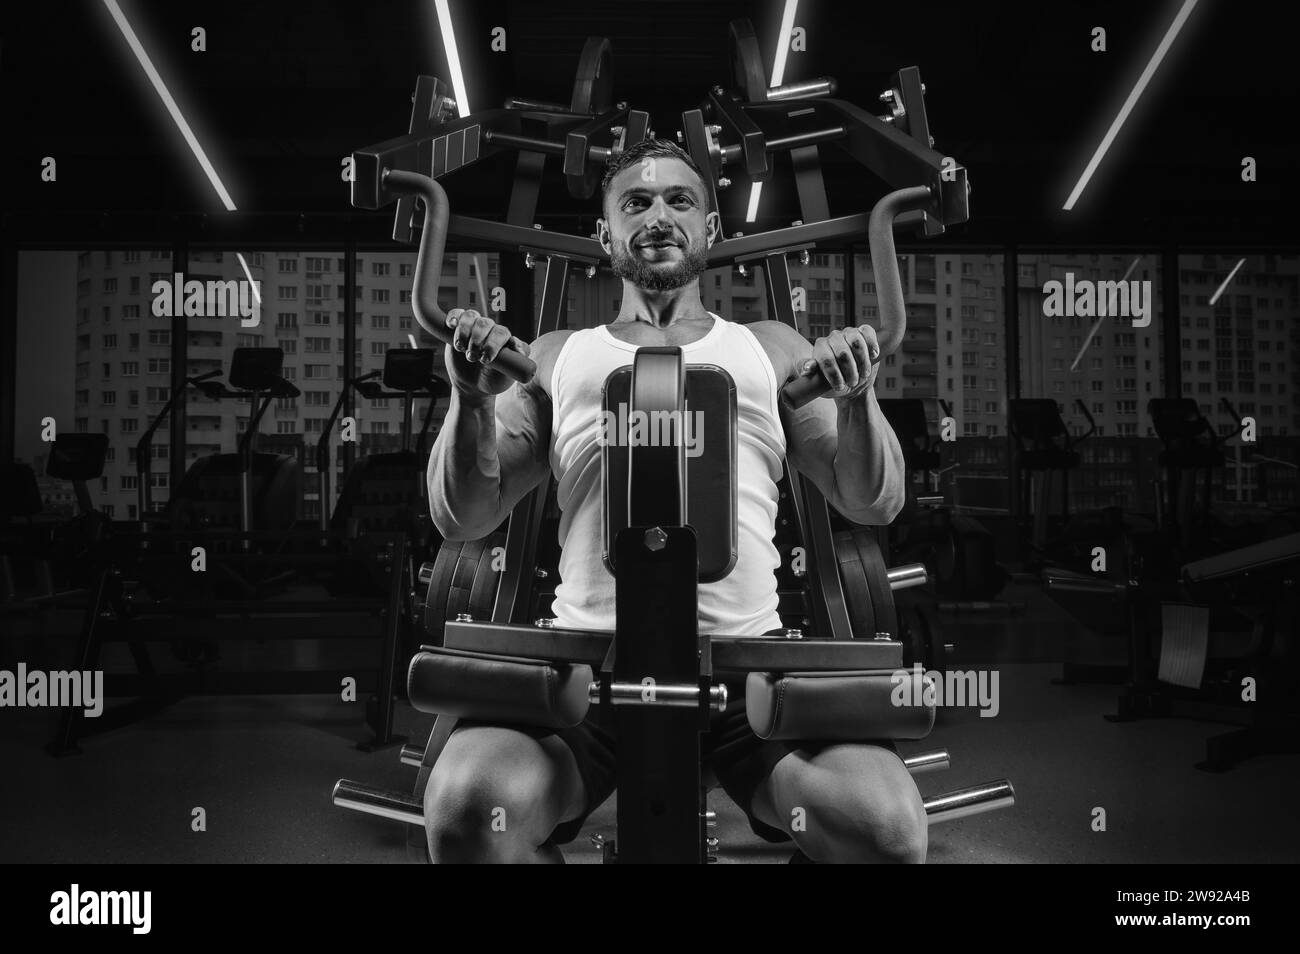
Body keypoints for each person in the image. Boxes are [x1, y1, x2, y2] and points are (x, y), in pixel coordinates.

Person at [424, 138, 921, 863]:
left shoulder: (771, 350)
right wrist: (468, 399)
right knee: (467, 812)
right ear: (606, 235)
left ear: (711, 228)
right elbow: (462, 515)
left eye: (679, 200)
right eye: (636, 203)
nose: (658, 216)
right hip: (588, 681)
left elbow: (874, 501)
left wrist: (857, 400)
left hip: (748, 681)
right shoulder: (558, 355)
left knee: (886, 830)